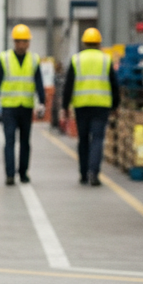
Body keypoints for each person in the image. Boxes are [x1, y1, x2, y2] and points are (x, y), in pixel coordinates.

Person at [62, 27, 120, 186]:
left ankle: (83, 174)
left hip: (82, 106)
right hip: (101, 106)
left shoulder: (77, 59)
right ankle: (94, 172)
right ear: (99, 43)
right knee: (98, 139)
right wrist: (115, 105)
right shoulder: (106, 60)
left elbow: (68, 85)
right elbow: (114, 85)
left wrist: (65, 106)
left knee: (83, 140)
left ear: (84, 43)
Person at [0, 23, 46, 185]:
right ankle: (10, 175)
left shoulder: (34, 59)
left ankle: (23, 173)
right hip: (9, 107)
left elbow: (39, 82)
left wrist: (42, 102)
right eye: (18, 41)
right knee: (9, 142)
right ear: (14, 42)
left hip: (26, 107)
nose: (21, 44)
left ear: (28, 43)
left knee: (25, 142)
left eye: (24, 41)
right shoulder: (5, 58)